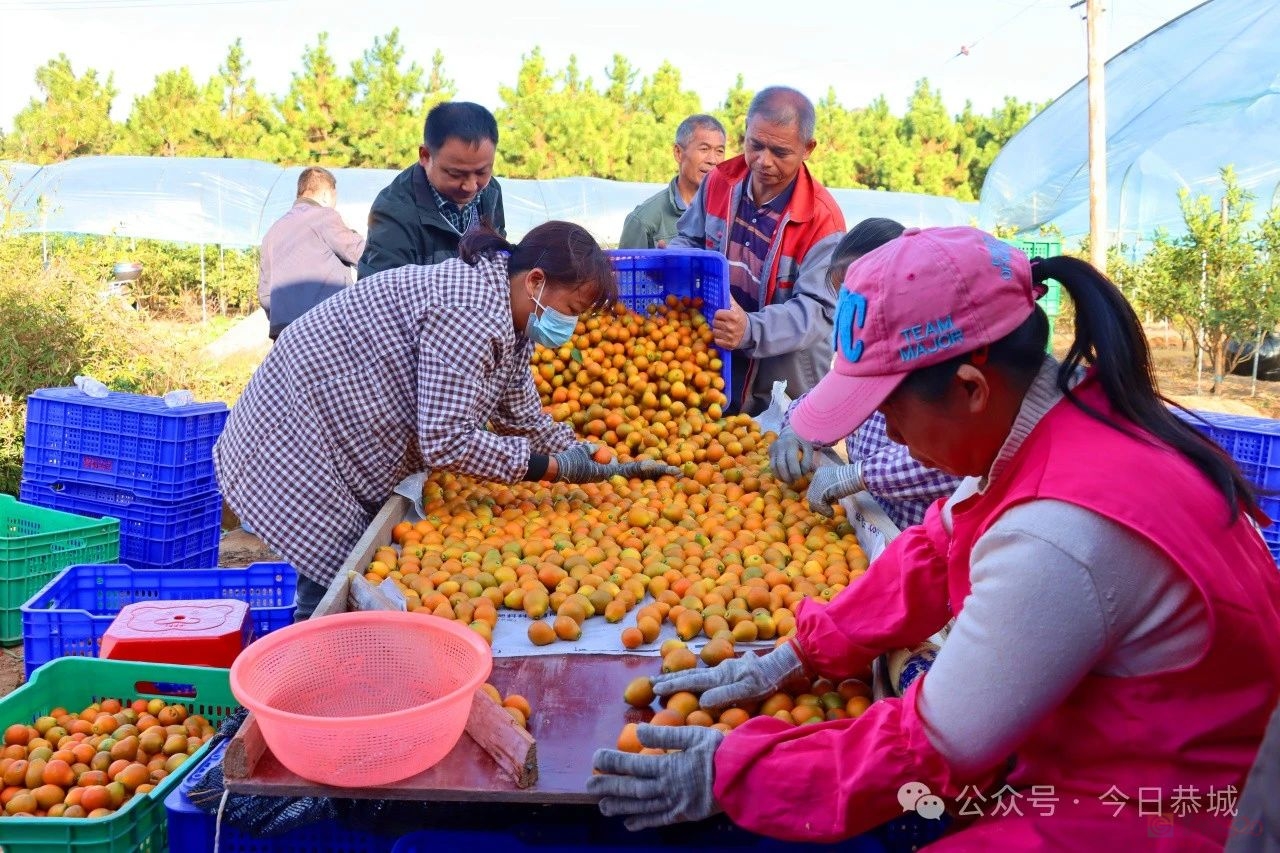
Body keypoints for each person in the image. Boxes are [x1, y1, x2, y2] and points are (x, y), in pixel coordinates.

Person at [589, 226, 1280, 848]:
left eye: (888, 411)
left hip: (1166, 812)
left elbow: (930, 745)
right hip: (1110, 758)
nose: (884, 435)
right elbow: (935, 549)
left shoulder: (1060, 534)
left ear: (971, 387)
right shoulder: (1060, 418)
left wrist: (737, 769)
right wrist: (801, 650)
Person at [216, 221, 677, 621]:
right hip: (299, 425)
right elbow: (446, 441)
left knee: (348, 569)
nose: (570, 325)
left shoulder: (511, 313)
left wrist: (586, 455)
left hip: (341, 417)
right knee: (333, 578)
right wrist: (549, 468)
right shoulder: (470, 313)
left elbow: (520, 412)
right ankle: (301, 676)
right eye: (573, 311)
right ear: (535, 281)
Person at [769, 217, 963, 531]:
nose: (855, 309)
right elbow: (825, 398)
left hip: (927, 532)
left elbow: (946, 456)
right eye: (847, 298)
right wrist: (795, 429)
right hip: (880, 525)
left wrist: (858, 475)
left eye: (865, 295)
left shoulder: (932, 349)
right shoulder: (864, 343)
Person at [669, 86, 845, 416]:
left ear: (807, 148)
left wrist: (750, 329)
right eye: (756, 145)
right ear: (745, 130)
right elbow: (689, 241)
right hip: (712, 368)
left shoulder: (823, 220)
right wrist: (675, 262)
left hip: (781, 390)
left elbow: (819, 310)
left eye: (780, 152)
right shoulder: (720, 181)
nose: (763, 161)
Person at [357, 101, 505, 279]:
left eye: (482, 172)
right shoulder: (394, 212)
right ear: (425, 156)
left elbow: (498, 252)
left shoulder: (490, 192)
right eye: (455, 174)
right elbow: (379, 294)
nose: (471, 186)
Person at [257, 167, 365, 341]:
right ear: (325, 195)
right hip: (322, 325)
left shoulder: (272, 232)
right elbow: (362, 253)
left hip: (284, 332)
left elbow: (265, 294)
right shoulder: (324, 217)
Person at [617, 115, 726, 250]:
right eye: (704, 149)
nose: (713, 160)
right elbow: (628, 270)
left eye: (720, 151)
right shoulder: (643, 220)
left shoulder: (730, 212)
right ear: (678, 153)